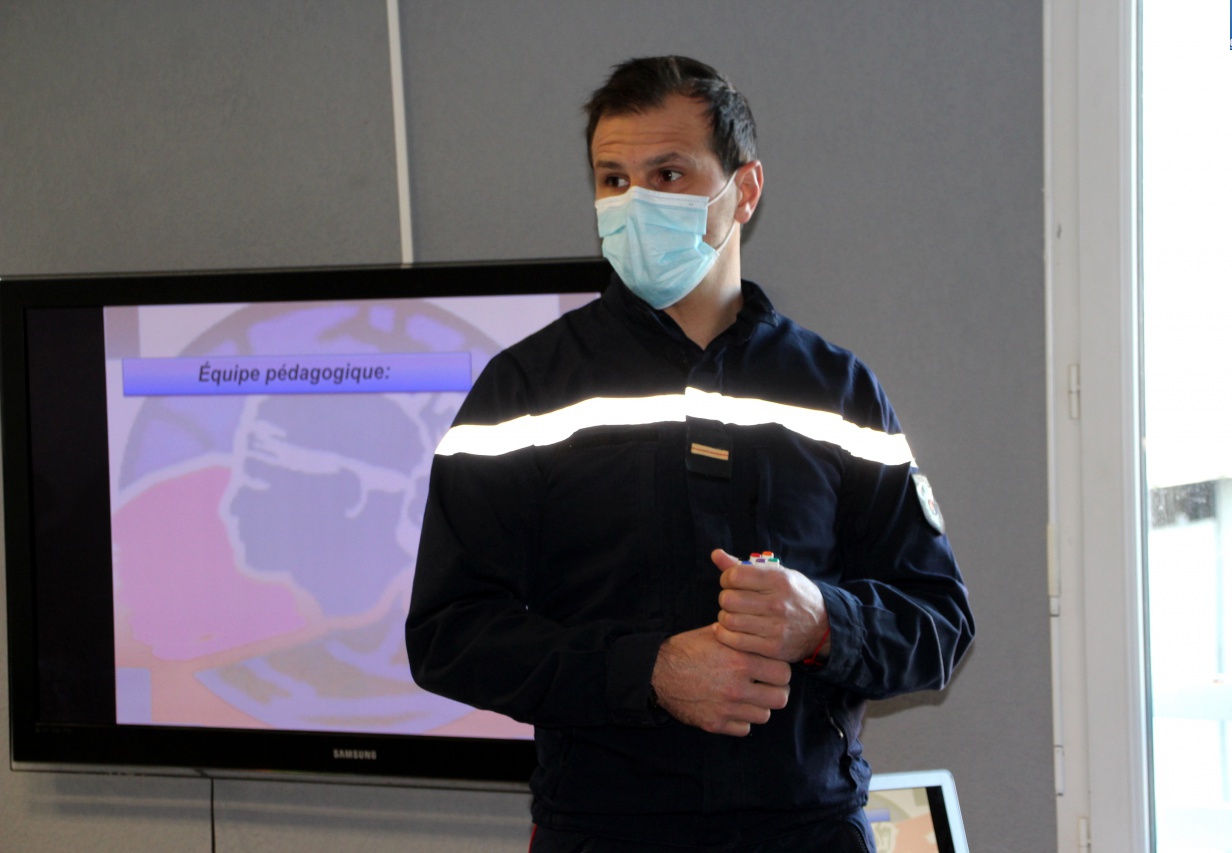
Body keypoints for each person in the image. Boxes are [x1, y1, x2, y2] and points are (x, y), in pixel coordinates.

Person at [406, 55, 975, 853]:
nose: (635, 202)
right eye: (613, 179)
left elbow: (940, 623)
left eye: (668, 174)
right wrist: (649, 670)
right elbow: (450, 635)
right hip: (603, 833)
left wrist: (824, 622)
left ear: (745, 189)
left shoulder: (839, 391)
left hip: (807, 831)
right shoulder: (523, 390)